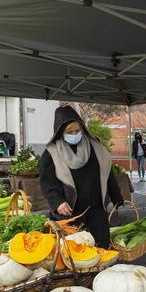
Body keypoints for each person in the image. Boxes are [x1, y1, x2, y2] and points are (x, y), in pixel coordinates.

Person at [39, 105, 123, 248]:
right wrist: (58, 201)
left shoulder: (95, 147)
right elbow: (47, 182)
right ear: (60, 133)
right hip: (71, 213)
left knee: (101, 247)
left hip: (97, 209)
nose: (74, 134)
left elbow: (107, 173)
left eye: (77, 131)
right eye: (69, 132)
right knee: (76, 251)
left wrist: (116, 196)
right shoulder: (51, 153)